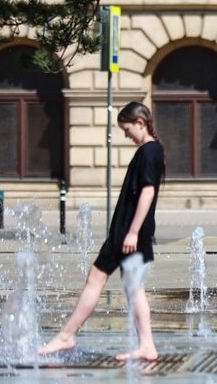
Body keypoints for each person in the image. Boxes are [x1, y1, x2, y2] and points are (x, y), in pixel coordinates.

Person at [40, 102, 165, 361]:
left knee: (96, 279)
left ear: (140, 123)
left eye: (127, 128)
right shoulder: (150, 151)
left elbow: (148, 192)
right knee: (133, 287)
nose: (126, 134)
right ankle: (146, 345)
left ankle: (67, 335)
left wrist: (131, 232)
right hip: (131, 232)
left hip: (128, 233)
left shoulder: (149, 152)